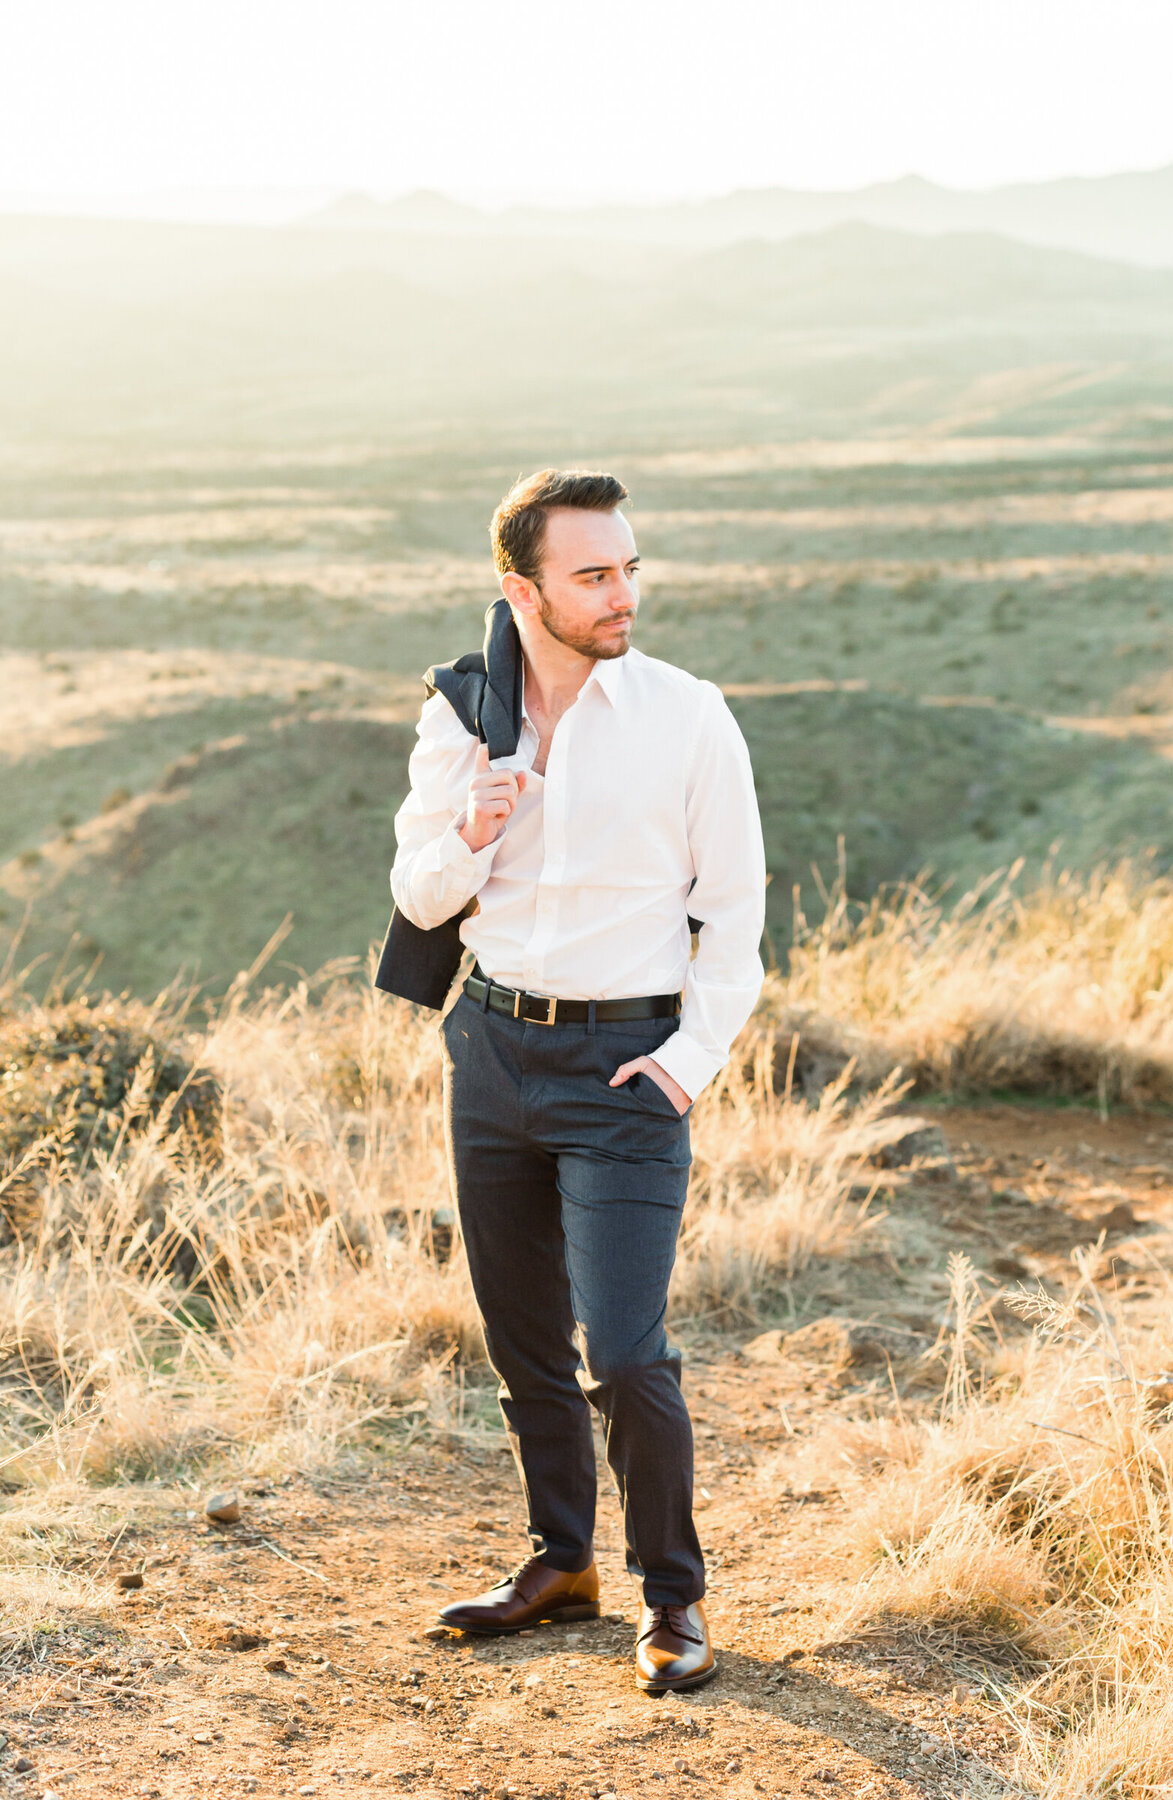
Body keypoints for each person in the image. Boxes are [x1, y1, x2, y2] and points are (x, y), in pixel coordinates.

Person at [390, 468, 766, 1693]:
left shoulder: (688, 715)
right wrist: (474, 831)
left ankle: (675, 1599)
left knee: (628, 1349)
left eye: (629, 569)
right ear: (524, 587)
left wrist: (683, 1066)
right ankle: (561, 1564)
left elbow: (738, 918)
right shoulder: (459, 713)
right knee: (523, 1338)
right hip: (492, 1050)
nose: (622, 595)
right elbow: (418, 899)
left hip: (628, 1069)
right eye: (593, 575)